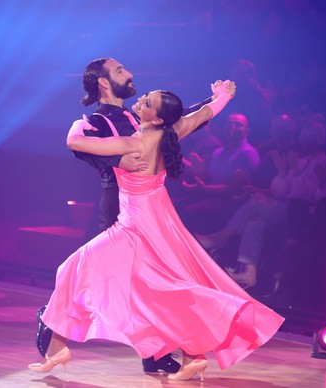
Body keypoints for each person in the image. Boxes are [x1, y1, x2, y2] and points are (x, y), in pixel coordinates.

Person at [28, 83, 284, 381]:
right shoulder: (169, 133)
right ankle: (191, 356)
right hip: (157, 216)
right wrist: (223, 96)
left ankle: (194, 348)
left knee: (88, 271)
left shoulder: (136, 144)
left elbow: (76, 143)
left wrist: (78, 124)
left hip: (136, 225)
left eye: (148, 102)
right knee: (166, 284)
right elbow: (202, 115)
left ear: (156, 119)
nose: (142, 100)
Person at [40, 57, 215, 374]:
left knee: (143, 284)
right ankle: (54, 329)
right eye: (120, 71)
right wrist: (118, 161)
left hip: (145, 210)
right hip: (121, 205)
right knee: (123, 282)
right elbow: (82, 148)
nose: (130, 74)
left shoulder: (133, 120)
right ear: (104, 82)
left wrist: (213, 103)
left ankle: (165, 352)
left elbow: (177, 122)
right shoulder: (102, 119)